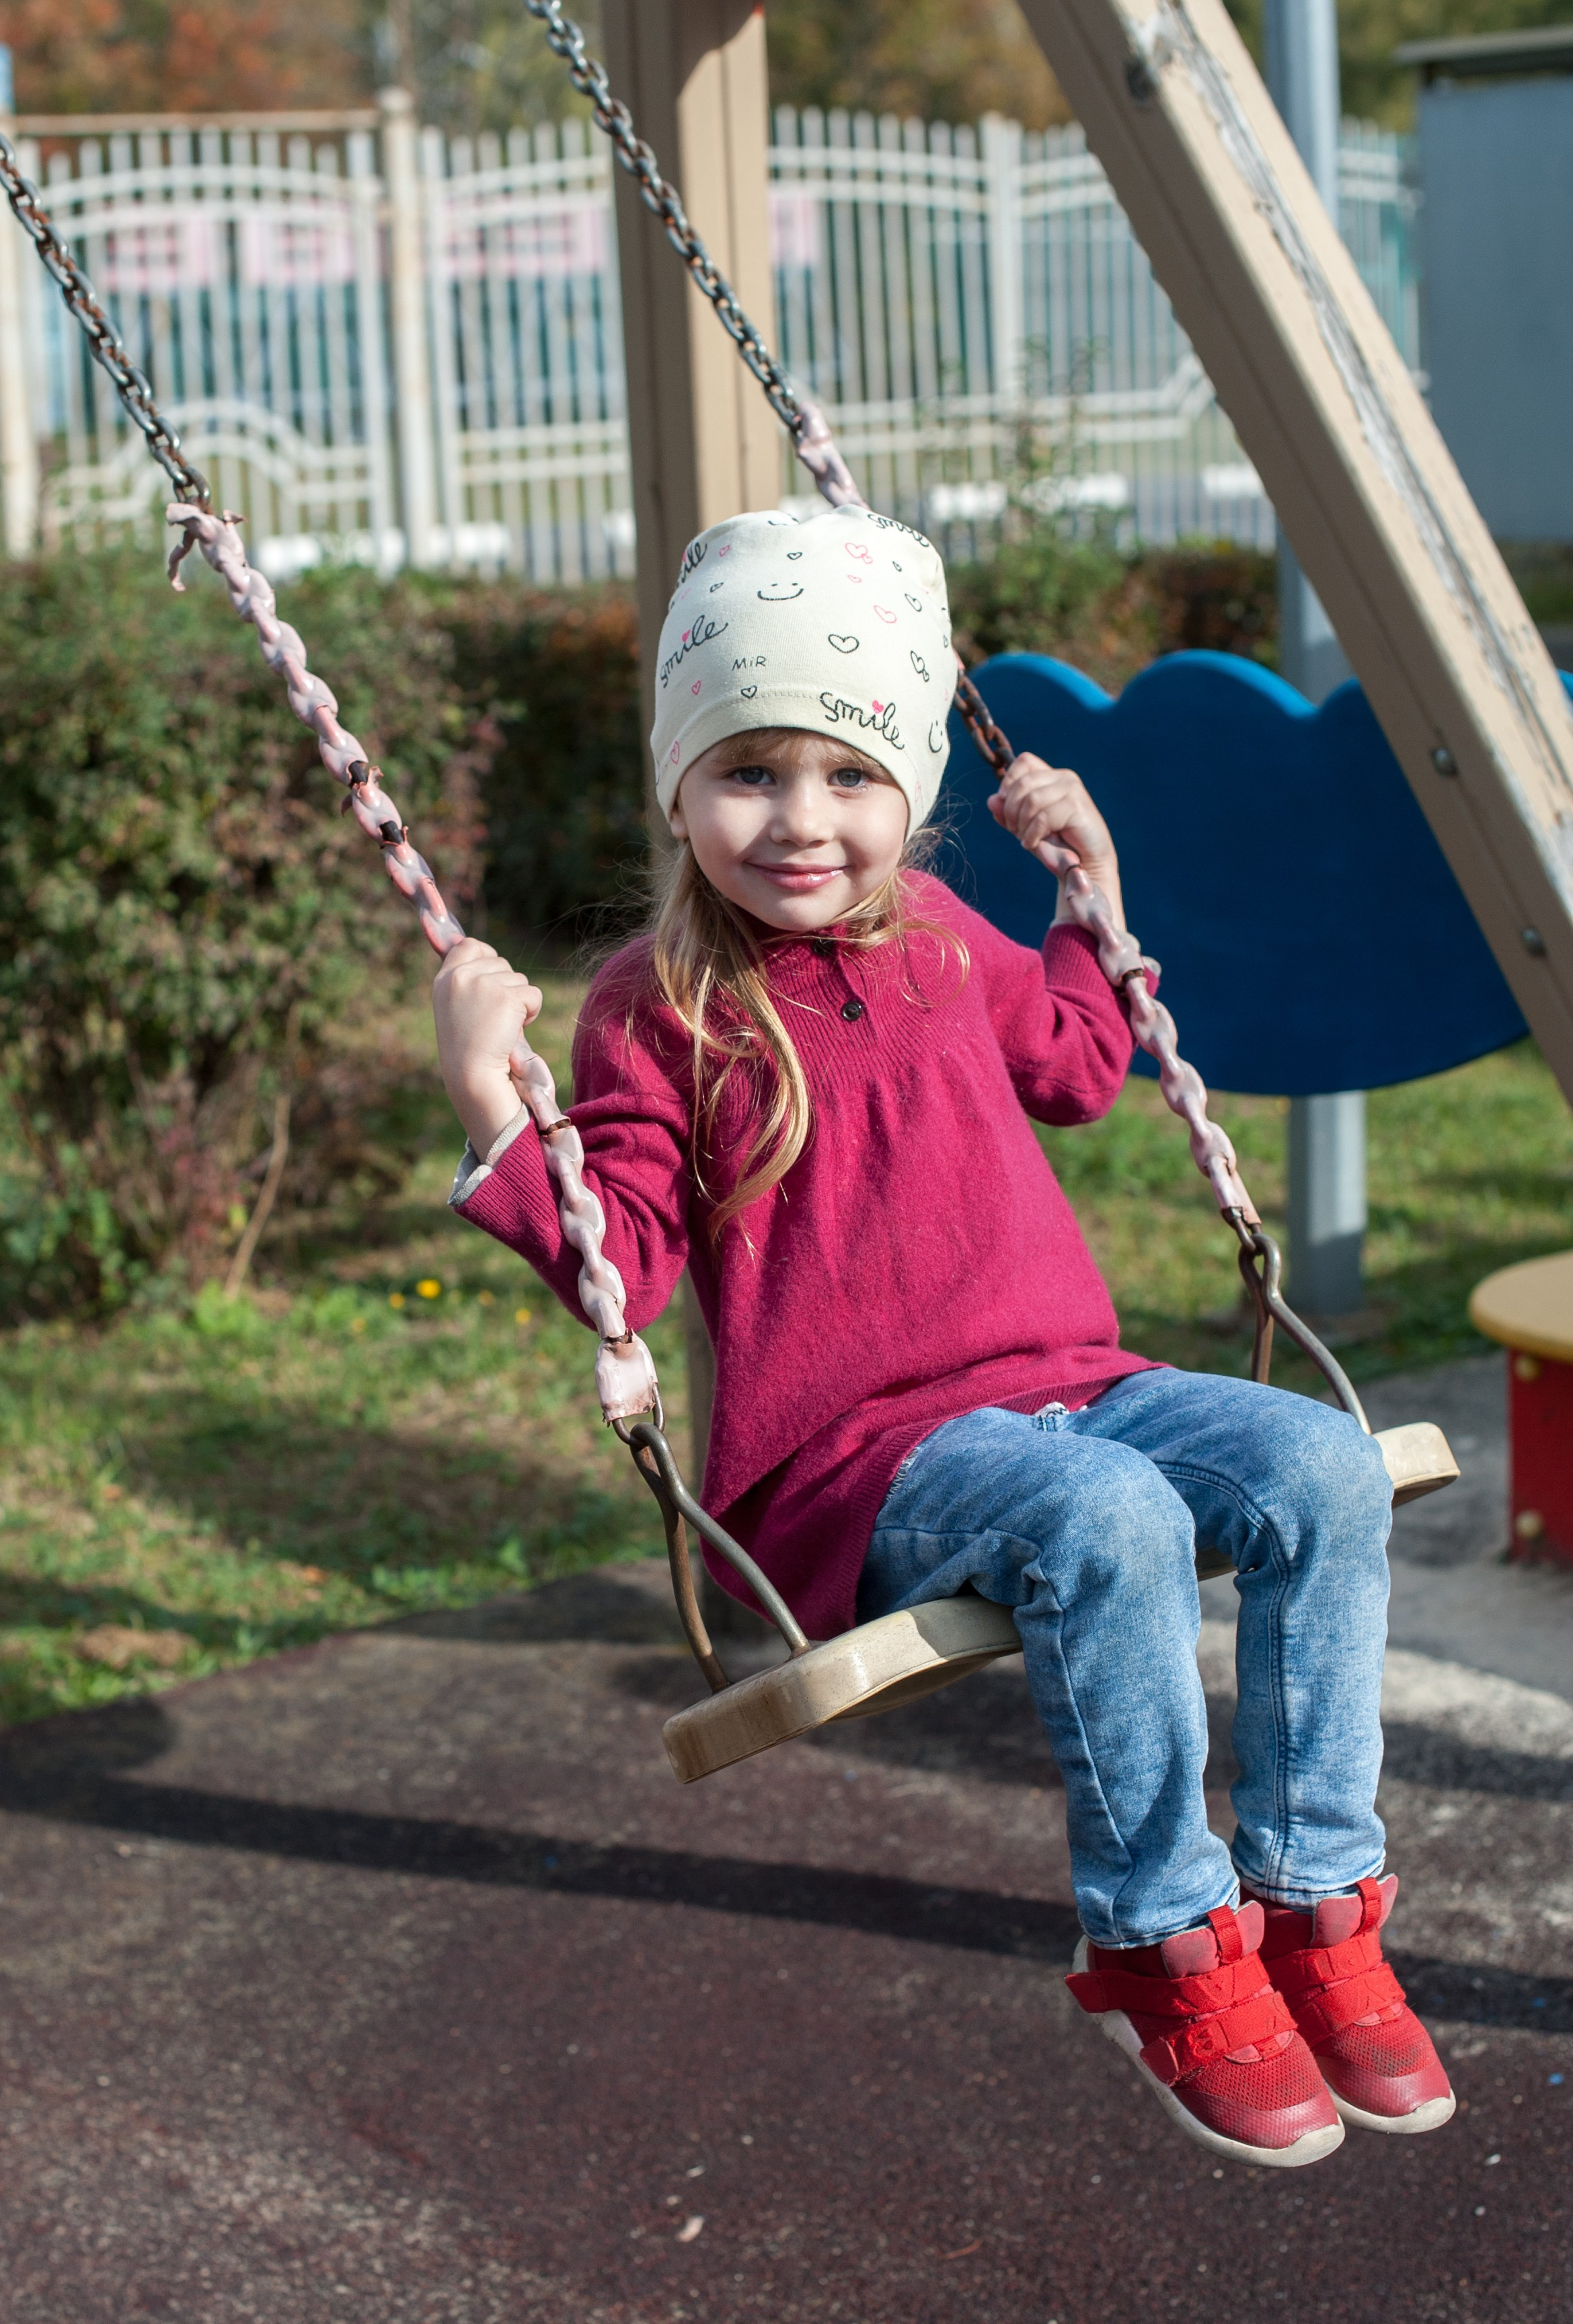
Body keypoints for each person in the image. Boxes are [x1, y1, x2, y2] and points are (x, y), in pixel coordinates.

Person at [430, 504, 1454, 2171]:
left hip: (1070, 1388)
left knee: (1319, 1463)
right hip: (857, 1464)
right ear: (679, 789)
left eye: (846, 776)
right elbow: (615, 1254)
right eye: (747, 773)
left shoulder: (936, 935)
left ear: (908, 785)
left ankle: (1316, 1903)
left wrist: (1088, 896)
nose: (800, 821)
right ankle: (1161, 1945)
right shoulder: (654, 1001)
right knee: (1110, 1520)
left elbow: (1068, 1061)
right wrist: (492, 1091)